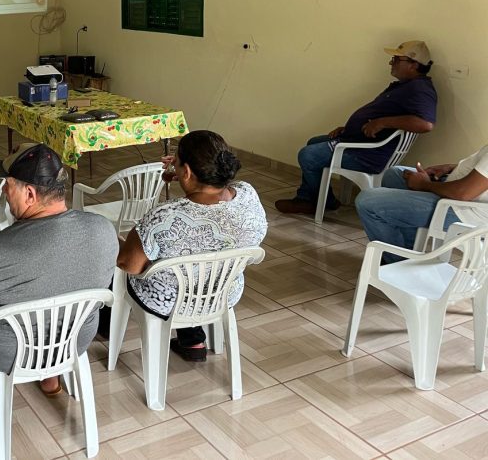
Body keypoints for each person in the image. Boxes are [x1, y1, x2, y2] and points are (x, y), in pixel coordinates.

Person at [0, 143, 117, 395]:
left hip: (9, 351)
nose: (3, 189)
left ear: (29, 195)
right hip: (75, 341)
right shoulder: (104, 230)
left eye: (8, 183)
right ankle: (51, 378)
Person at [118, 130, 267, 361]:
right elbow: (220, 190)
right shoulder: (248, 195)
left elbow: (130, 266)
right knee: (194, 264)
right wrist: (186, 174)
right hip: (223, 292)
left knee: (121, 273)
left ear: (186, 171)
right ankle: (193, 341)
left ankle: (108, 324)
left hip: (173, 300)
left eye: (176, 163)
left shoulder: (164, 216)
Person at [276, 40, 437, 215]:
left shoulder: (420, 89)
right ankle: (314, 197)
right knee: (313, 142)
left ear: (414, 64)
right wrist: (349, 129)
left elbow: (425, 124)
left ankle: (313, 201)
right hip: (358, 142)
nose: (391, 63)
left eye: (396, 60)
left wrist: (382, 122)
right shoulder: (406, 86)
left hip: (367, 153)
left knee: (308, 155)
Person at [355, 146, 488, 263]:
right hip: (462, 198)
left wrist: (424, 184)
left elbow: (462, 193)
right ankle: (408, 251)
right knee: (395, 174)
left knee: (368, 202)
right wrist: (452, 168)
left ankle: (398, 264)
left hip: (465, 211)